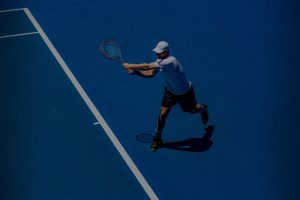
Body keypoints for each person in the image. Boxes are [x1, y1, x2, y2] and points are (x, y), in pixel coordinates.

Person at [123, 41, 209, 151]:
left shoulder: (170, 61)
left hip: (185, 92)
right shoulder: (160, 60)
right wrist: (135, 72)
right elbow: (150, 74)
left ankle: (203, 109)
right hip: (171, 91)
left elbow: (147, 66)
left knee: (191, 110)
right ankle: (157, 138)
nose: (157, 54)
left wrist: (130, 65)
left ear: (166, 52)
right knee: (162, 114)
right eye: (157, 52)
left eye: (160, 52)